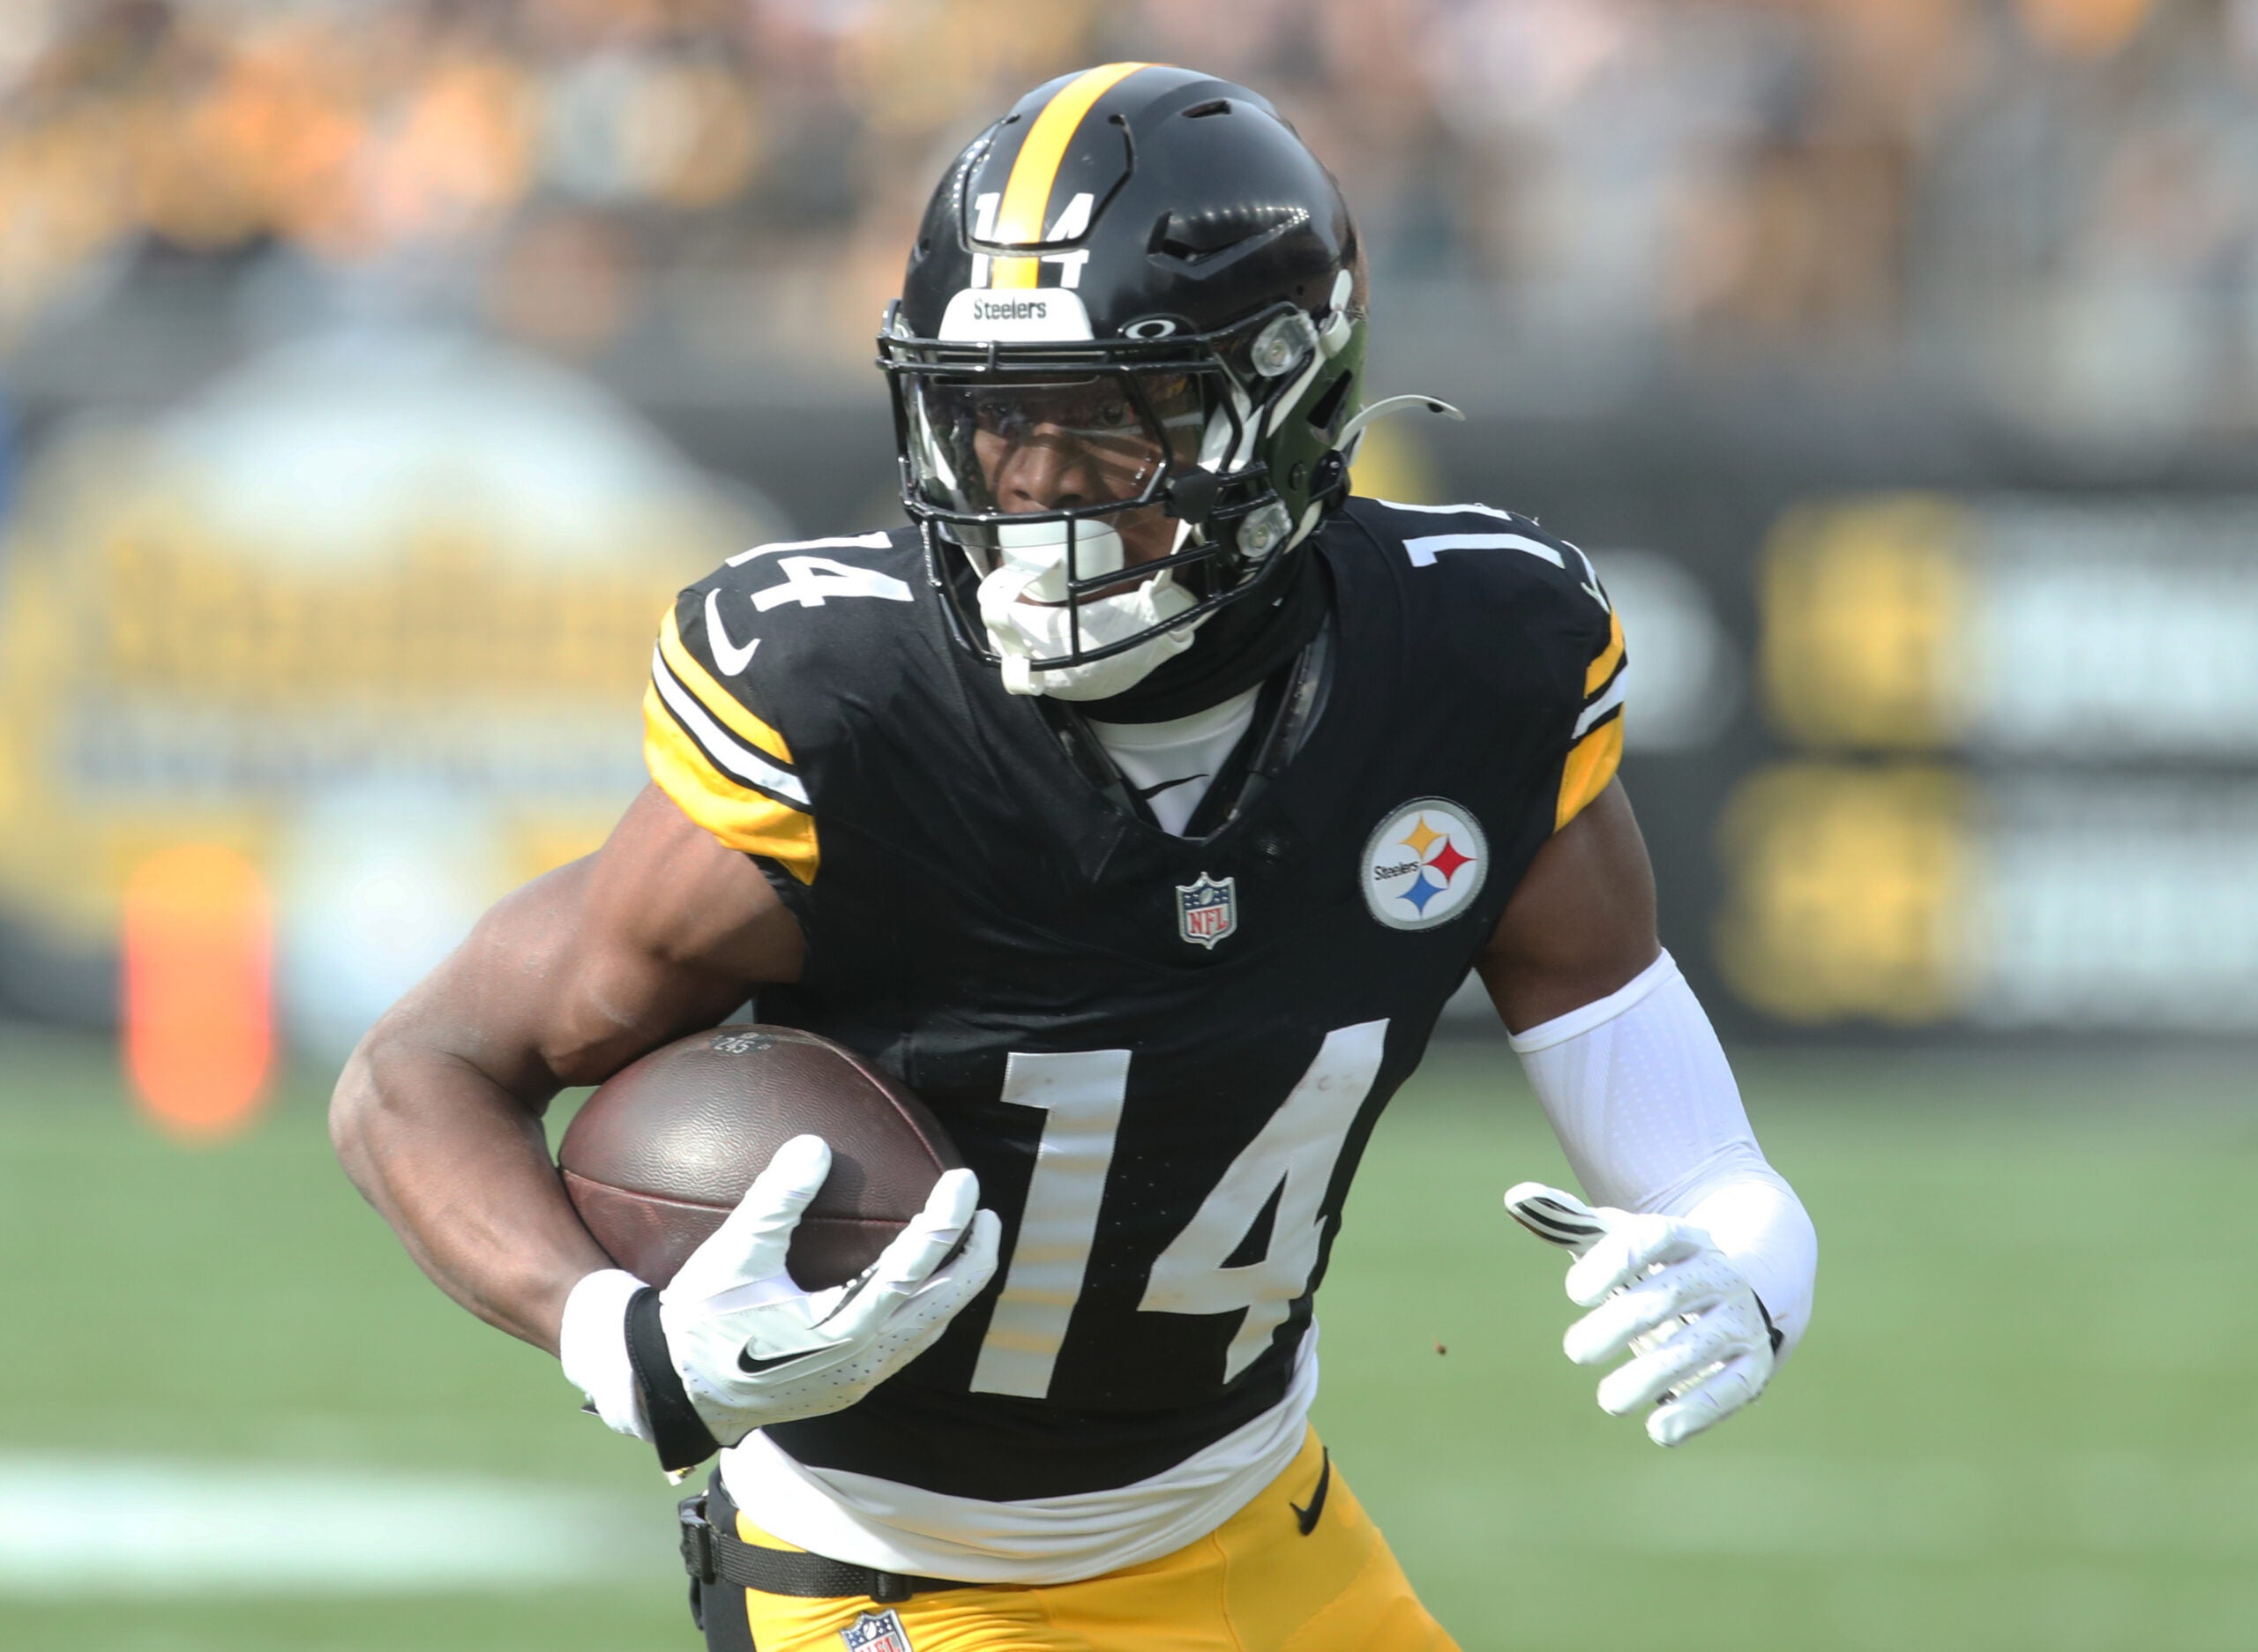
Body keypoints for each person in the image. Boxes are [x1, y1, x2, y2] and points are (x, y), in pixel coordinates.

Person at [331, 63, 1817, 1652]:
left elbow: (1677, 1128)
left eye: (1109, 420)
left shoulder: (1467, 662)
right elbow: (421, 1070)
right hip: (893, 1571)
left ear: (1287, 404)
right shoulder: (857, 711)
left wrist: (1751, 1243)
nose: (1036, 485)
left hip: (1260, 1525)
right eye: (994, 417)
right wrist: (615, 1333)